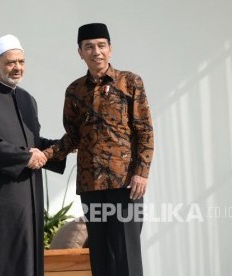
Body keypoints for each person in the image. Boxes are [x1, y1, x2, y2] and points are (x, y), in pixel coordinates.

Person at [43, 23, 154, 276]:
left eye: (101, 45)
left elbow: (144, 130)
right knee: (101, 260)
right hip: (90, 185)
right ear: (80, 52)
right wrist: (45, 155)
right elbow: (72, 138)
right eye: (89, 47)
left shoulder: (130, 82)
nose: (96, 52)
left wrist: (142, 172)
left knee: (126, 256)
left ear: (110, 49)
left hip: (125, 183)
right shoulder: (74, 91)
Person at [0, 34, 65, 276]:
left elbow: (32, 143)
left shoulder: (27, 99)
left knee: (27, 262)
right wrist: (25, 158)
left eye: (21, 62)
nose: (17, 68)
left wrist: (65, 146)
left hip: (27, 199)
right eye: (10, 63)